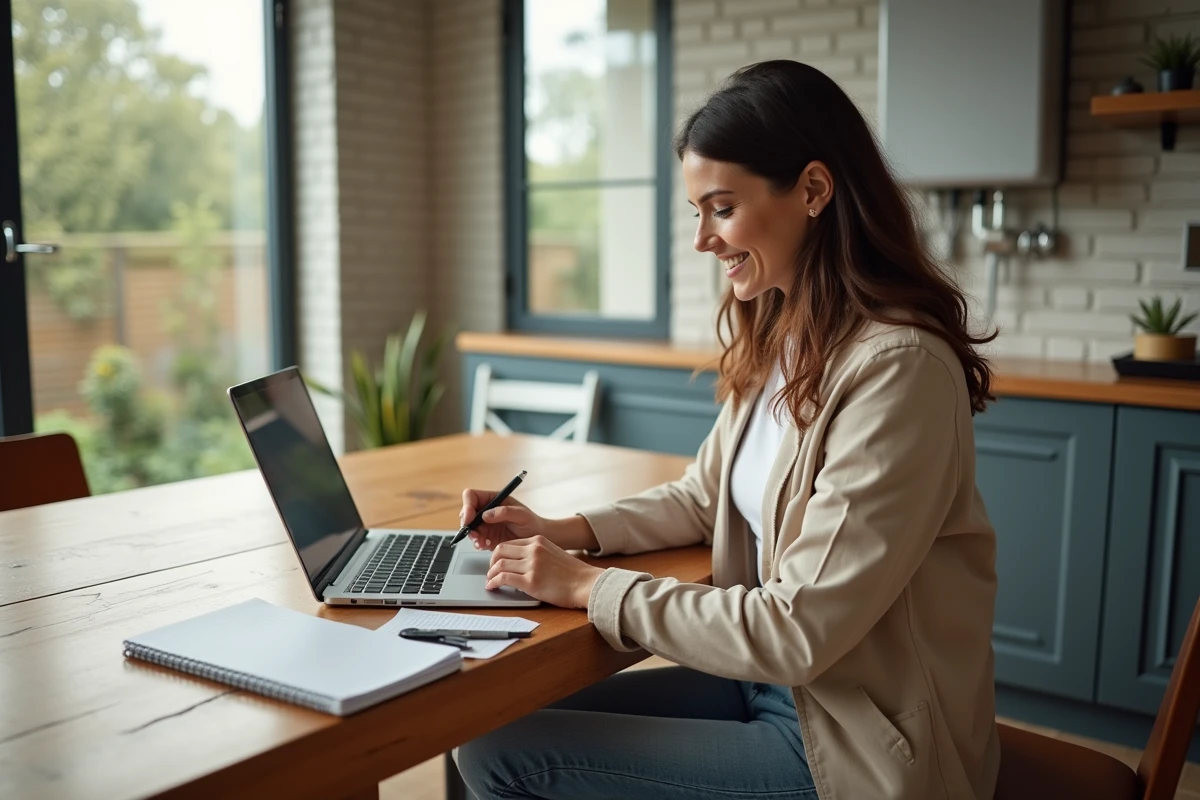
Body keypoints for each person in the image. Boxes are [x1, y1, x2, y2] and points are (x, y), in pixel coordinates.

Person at [454, 60, 1000, 800]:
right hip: (772, 690)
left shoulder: (898, 369)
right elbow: (703, 497)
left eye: (720, 208)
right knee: (483, 724)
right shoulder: (789, 334)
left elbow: (798, 629)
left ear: (812, 190)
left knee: (504, 758)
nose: (703, 241)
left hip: (857, 742)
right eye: (696, 212)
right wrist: (561, 527)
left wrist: (588, 585)